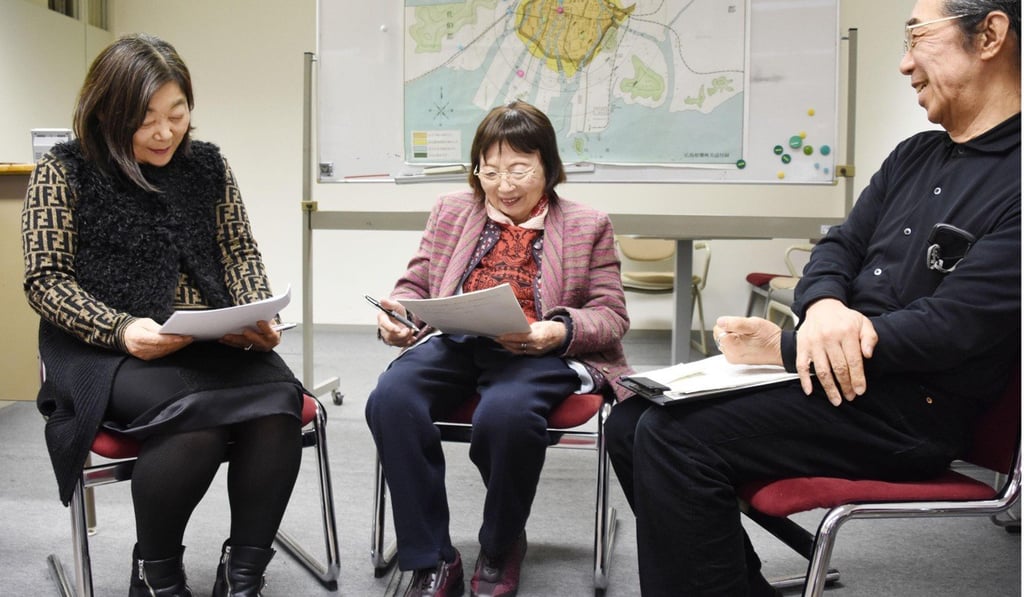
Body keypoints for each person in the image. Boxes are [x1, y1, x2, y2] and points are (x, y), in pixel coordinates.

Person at [604, 0, 1021, 595]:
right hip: (837, 382)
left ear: (991, 35)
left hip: (912, 408)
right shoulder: (913, 155)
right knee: (630, 421)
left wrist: (788, 346)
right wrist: (824, 308)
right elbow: (837, 250)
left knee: (673, 440)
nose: (904, 64)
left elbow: (951, 327)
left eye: (916, 37)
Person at [22, 34, 306, 597]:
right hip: (101, 347)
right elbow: (45, 281)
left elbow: (238, 250)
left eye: (177, 115)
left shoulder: (206, 165)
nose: (165, 132)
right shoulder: (65, 171)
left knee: (280, 406)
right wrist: (121, 328)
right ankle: (156, 572)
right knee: (195, 425)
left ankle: (243, 572)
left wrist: (253, 310)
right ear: (106, 112)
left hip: (203, 337)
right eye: (145, 119)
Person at [365, 100, 634, 597]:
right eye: (490, 171)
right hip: (457, 341)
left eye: (519, 170)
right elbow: (418, 283)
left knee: (506, 417)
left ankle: (501, 542)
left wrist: (555, 330)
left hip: (535, 349)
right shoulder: (452, 210)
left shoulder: (586, 224)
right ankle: (432, 559)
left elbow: (612, 315)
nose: (504, 186)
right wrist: (399, 316)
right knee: (390, 400)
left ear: (549, 168)